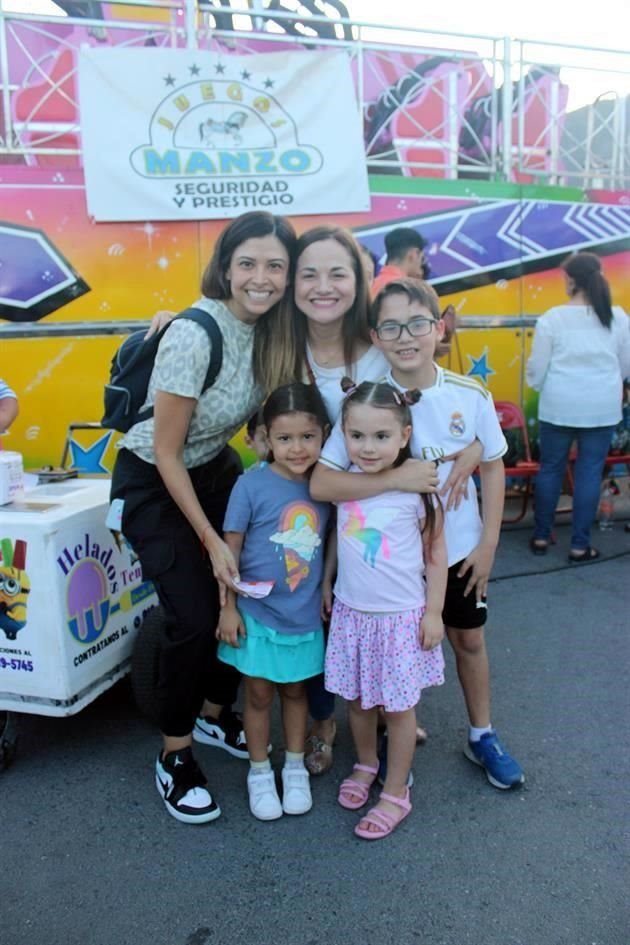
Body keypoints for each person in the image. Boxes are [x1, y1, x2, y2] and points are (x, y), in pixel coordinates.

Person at [110, 211, 297, 824]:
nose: (261, 278)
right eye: (248, 263)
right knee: (193, 616)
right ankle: (175, 751)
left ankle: (216, 715)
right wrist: (213, 539)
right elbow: (166, 451)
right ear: (224, 266)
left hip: (215, 466)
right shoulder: (197, 333)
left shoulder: (272, 332)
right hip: (155, 479)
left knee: (240, 594)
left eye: (275, 265)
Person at [312, 278, 525, 791]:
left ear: (439, 327)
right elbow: (322, 481)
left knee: (466, 638)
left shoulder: (468, 395)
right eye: (391, 325)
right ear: (375, 335)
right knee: (390, 650)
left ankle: (482, 734)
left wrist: (490, 544)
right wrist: (392, 479)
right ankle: (391, 729)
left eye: (417, 323)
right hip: (386, 564)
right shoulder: (367, 398)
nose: (405, 336)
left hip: (456, 554)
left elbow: (492, 465)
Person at [326, 379, 447, 840]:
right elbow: (340, 537)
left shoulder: (417, 490)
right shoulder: (347, 485)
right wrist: (326, 581)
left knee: (398, 711)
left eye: (381, 436)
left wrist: (433, 612)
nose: (368, 447)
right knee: (357, 702)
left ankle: (396, 790)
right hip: (353, 614)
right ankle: (365, 763)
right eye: (357, 436)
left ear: (403, 434)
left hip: (400, 620)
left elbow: (436, 553)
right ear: (344, 434)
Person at [216, 383, 331, 820]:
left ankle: (295, 766)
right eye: (284, 438)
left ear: (322, 433)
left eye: (307, 437)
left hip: (302, 613)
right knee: (260, 694)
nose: (296, 448)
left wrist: (326, 585)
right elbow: (228, 551)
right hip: (256, 612)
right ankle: (260, 771)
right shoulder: (250, 486)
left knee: (297, 691)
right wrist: (227, 607)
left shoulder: (324, 483)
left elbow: (333, 536)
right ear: (266, 437)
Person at [526, 251, 630, 561]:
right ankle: (580, 544)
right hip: (600, 407)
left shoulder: (552, 318)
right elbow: (626, 366)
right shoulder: (618, 318)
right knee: (589, 472)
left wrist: (541, 385)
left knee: (551, 469)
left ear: (570, 280)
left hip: (558, 404)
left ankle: (541, 537)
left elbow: (537, 368)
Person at [370, 226, 427, 297]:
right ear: (414, 254)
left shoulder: (372, 285)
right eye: (422, 258)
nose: (422, 263)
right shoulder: (406, 289)